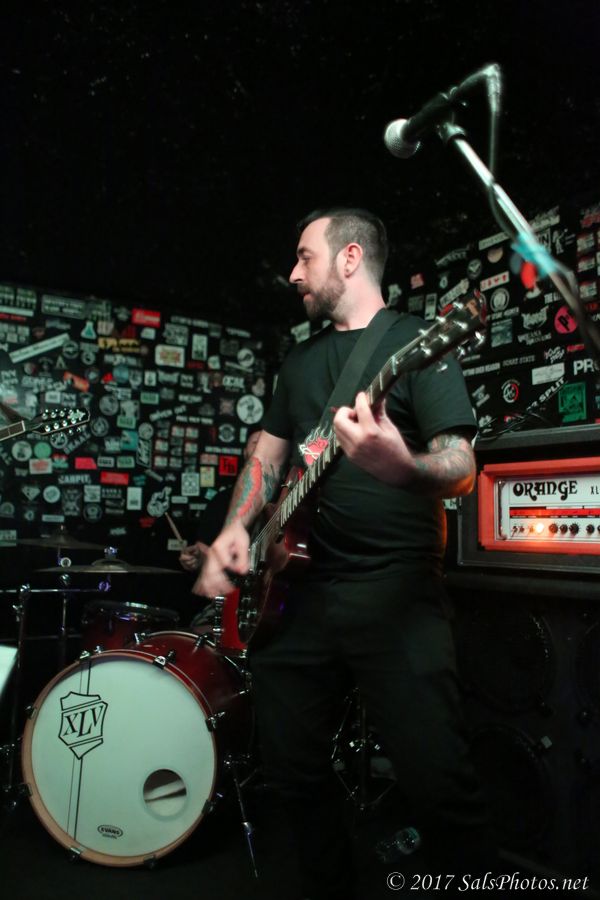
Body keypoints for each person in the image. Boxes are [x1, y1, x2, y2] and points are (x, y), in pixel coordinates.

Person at [193, 208, 493, 899]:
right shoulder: (300, 361)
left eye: (305, 257)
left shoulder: (417, 343)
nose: (293, 273)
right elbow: (267, 457)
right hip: (297, 596)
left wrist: (403, 467)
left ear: (350, 258)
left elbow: (461, 464)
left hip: (393, 591)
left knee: (439, 782)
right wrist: (239, 528)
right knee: (292, 774)